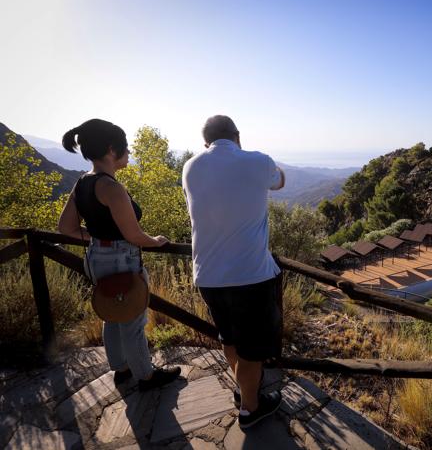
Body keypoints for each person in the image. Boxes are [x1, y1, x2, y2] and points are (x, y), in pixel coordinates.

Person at [57, 118, 181, 391]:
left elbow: (65, 227)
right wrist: (157, 241)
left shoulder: (82, 184)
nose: (129, 154)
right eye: (126, 149)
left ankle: (121, 368)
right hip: (122, 261)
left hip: (96, 259)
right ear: (112, 150)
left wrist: (98, 238)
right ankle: (146, 376)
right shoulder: (112, 188)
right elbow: (134, 236)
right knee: (134, 319)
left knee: (111, 314)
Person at [182, 115, 285, 429]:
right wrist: (268, 167)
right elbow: (279, 181)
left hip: (208, 275)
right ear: (238, 135)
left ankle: (244, 391)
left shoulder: (190, 167)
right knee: (253, 348)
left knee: (230, 337)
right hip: (250, 275)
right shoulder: (258, 161)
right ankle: (250, 409)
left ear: (206, 143)